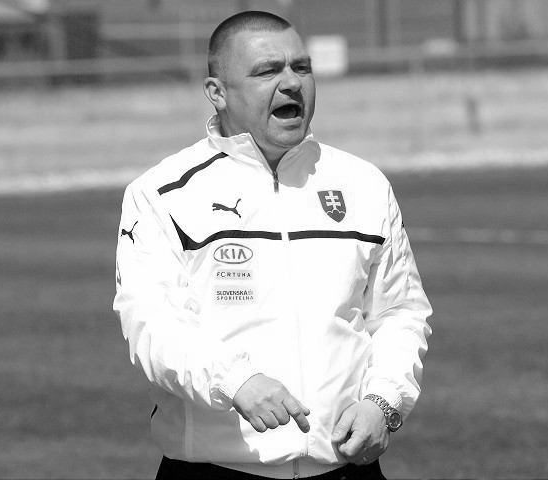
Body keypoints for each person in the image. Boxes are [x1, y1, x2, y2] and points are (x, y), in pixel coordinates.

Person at [113, 10, 432, 480]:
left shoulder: (363, 184)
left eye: (301, 67)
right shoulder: (162, 194)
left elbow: (399, 313)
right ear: (217, 93)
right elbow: (153, 325)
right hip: (215, 471)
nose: (292, 83)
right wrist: (236, 381)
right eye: (267, 71)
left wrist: (383, 403)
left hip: (348, 470)